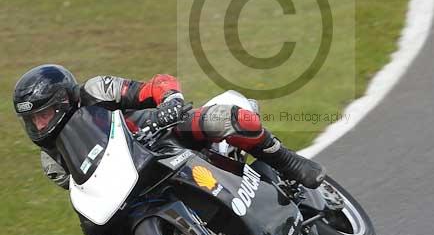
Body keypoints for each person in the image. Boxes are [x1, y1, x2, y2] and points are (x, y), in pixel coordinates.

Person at [13, 64, 326, 195]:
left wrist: (171, 101)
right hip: (134, 186)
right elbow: (86, 193)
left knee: (231, 119)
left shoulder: (95, 91)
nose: (41, 124)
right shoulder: (52, 162)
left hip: (163, 134)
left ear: (65, 99)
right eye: (34, 120)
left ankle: (286, 161)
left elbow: (155, 86)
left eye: (46, 114)